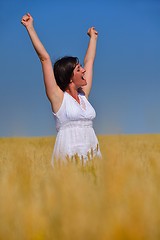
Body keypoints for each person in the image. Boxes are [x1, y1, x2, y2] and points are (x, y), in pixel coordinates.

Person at [21, 13, 101, 166]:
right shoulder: (58, 98)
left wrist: (93, 38)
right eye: (79, 69)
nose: (84, 71)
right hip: (68, 158)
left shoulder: (84, 95)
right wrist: (30, 27)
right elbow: (44, 58)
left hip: (92, 156)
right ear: (70, 76)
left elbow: (89, 61)